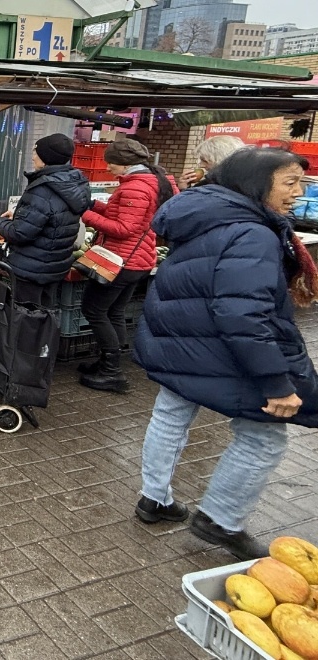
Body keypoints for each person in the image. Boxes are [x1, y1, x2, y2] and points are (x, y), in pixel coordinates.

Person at [133, 148, 317, 560]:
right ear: (255, 182)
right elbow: (243, 312)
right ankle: (221, 518)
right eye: (289, 182)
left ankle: (154, 499)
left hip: (182, 336)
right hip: (221, 346)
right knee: (263, 435)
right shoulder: (252, 232)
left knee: (170, 414)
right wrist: (275, 382)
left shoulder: (205, 213)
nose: (298, 193)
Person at [77, 139, 177, 393]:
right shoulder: (150, 181)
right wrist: (92, 205)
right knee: (115, 312)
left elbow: (124, 228)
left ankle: (112, 372)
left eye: (110, 161)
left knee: (94, 310)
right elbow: (122, 215)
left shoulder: (138, 187)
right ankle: (106, 363)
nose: (108, 166)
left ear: (125, 163)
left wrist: (84, 215)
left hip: (122, 261)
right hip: (138, 260)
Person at [0, 133, 91, 307]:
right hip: (54, 266)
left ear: (46, 157)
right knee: (44, 316)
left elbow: (20, 233)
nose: (32, 156)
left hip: (31, 269)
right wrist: (19, 215)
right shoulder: (72, 185)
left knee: (25, 319)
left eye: (35, 151)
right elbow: (52, 216)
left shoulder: (43, 188)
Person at [180, 135, 245, 189]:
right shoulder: (209, 182)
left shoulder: (242, 187)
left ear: (221, 159)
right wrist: (185, 189)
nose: (201, 165)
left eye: (205, 161)